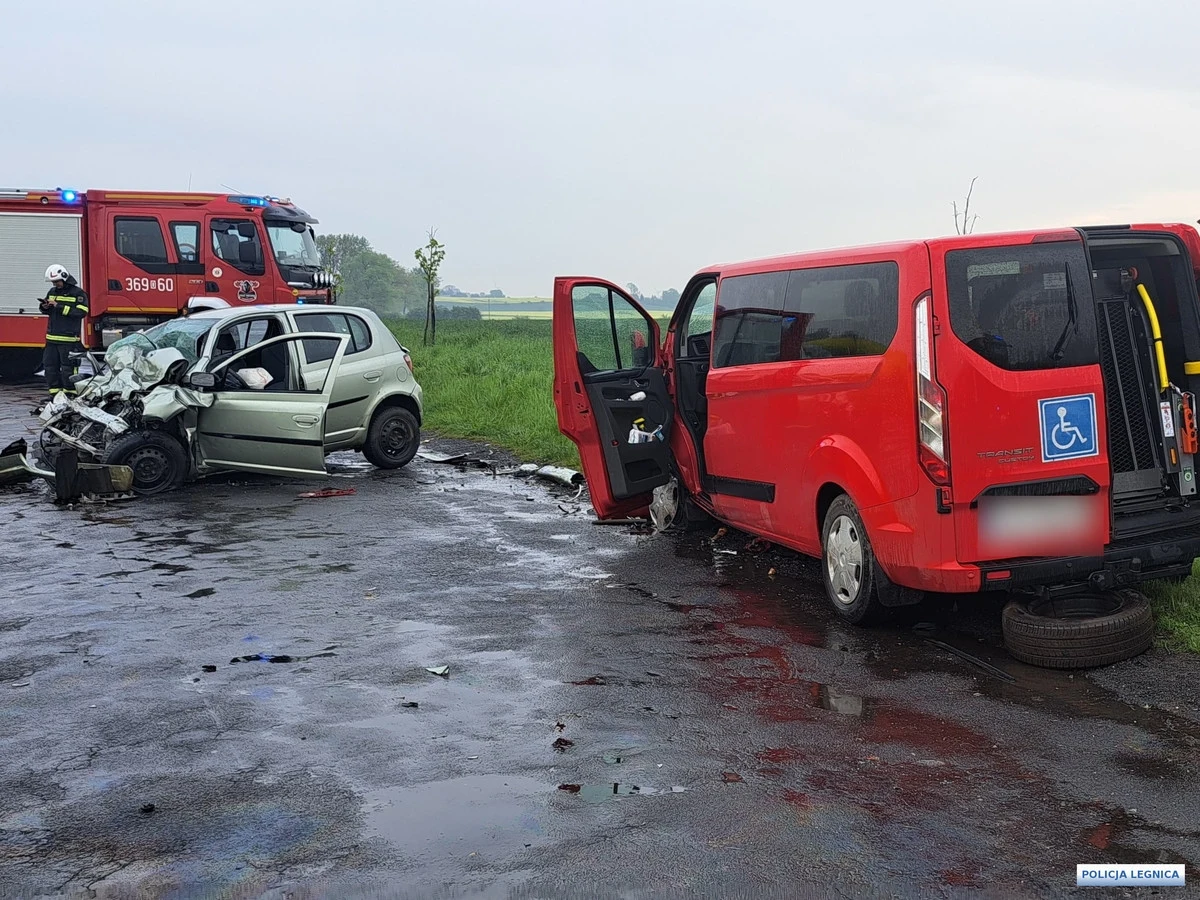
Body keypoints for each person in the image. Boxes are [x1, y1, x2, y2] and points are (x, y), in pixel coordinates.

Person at [39, 264, 89, 395]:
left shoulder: (78, 293)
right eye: (53, 282)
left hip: (69, 339)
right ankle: (55, 395)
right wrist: (45, 307)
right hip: (51, 339)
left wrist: (59, 306)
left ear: (65, 278)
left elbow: (82, 312)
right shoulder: (52, 292)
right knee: (50, 368)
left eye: (57, 282)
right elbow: (49, 312)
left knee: (69, 368)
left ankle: (70, 394)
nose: (55, 284)